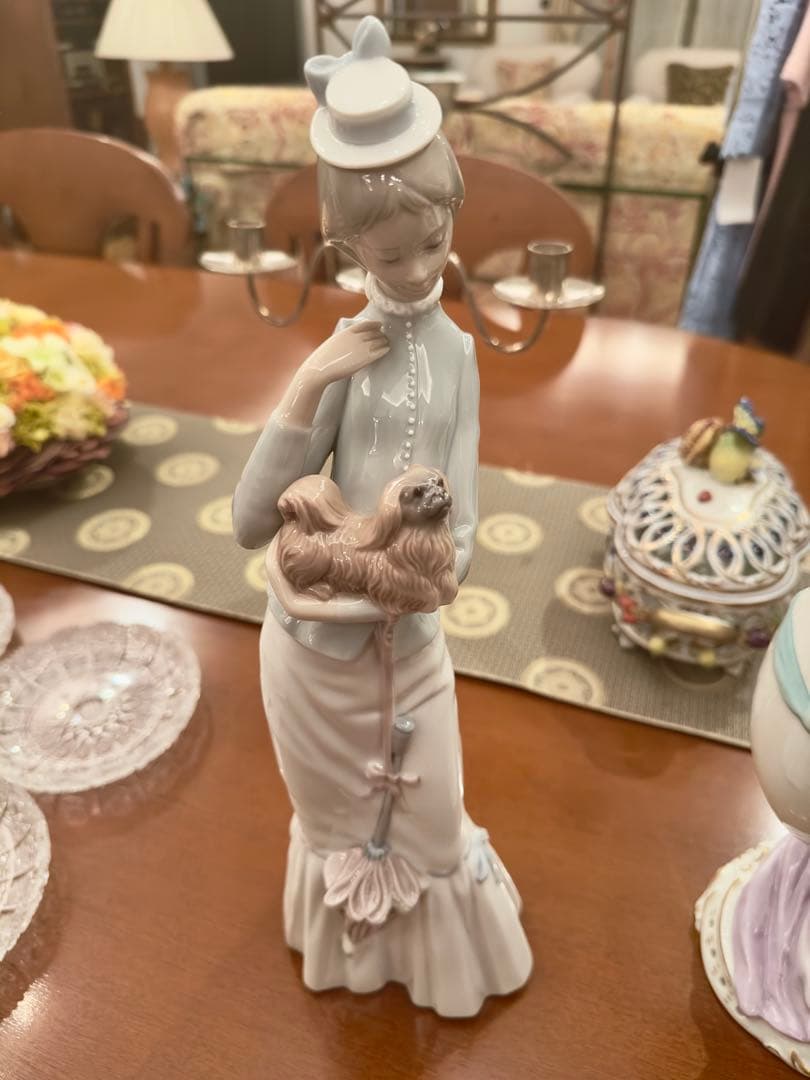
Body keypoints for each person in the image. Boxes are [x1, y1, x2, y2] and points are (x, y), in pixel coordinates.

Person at [232, 15, 531, 1017]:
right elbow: (249, 523)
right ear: (348, 248)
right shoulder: (343, 357)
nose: (413, 271)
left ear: (452, 219)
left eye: (433, 244)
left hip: (409, 650)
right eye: (387, 255)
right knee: (335, 828)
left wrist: (402, 580)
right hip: (311, 659)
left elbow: (465, 534)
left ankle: (447, 964)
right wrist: (309, 379)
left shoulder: (460, 357)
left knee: (435, 821)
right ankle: (355, 958)